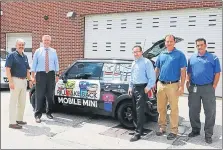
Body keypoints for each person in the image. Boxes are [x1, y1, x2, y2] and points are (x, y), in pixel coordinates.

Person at [186, 38, 221, 144]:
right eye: (197, 45)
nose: (199, 47)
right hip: (194, 88)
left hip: (208, 88)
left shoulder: (213, 58)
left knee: (210, 111)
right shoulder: (192, 58)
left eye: (201, 45)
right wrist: (188, 82)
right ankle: (195, 130)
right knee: (193, 110)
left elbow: (217, 73)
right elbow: (189, 72)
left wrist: (214, 86)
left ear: (205, 45)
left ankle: (208, 134)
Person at [154, 35, 187, 140]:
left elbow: (183, 71)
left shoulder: (180, 55)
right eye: (167, 41)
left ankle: (173, 130)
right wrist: (154, 83)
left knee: (173, 109)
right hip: (161, 85)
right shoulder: (161, 54)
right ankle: (162, 127)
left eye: (170, 41)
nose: (168, 43)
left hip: (173, 85)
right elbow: (157, 69)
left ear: (174, 42)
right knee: (161, 108)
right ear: (165, 42)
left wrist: (182, 86)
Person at [128, 45, 156, 142]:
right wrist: (130, 87)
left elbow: (152, 77)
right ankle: (136, 128)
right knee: (135, 109)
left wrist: (147, 88)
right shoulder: (133, 63)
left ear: (141, 52)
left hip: (142, 88)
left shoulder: (146, 62)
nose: (136, 53)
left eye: (137, 52)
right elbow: (131, 77)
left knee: (140, 110)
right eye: (134, 52)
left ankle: (138, 132)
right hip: (135, 88)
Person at [5, 39, 33, 129]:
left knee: (22, 102)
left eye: (22, 45)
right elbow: (7, 69)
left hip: (23, 81)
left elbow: (27, 70)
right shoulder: (11, 56)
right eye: (19, 45)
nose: (21, 46)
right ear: (16, 46)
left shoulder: (25, 56)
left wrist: (30, 80)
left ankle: (19, 119)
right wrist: (10, 82)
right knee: (13, 102)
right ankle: (12, 122)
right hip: (15, 80)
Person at [31, 35, 59, 123]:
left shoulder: (54, 51)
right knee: (39, 95)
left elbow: (56, 63)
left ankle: (49, 113)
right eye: (45, 40)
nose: (46, 41)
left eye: (48, 40)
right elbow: (34, 64)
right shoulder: (38, 51)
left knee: (50, 95)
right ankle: (37, 115)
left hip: (50, 74)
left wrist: (57, 75)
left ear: (50, 41)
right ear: (42, 41)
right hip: (40, 74)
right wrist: (32, 76)